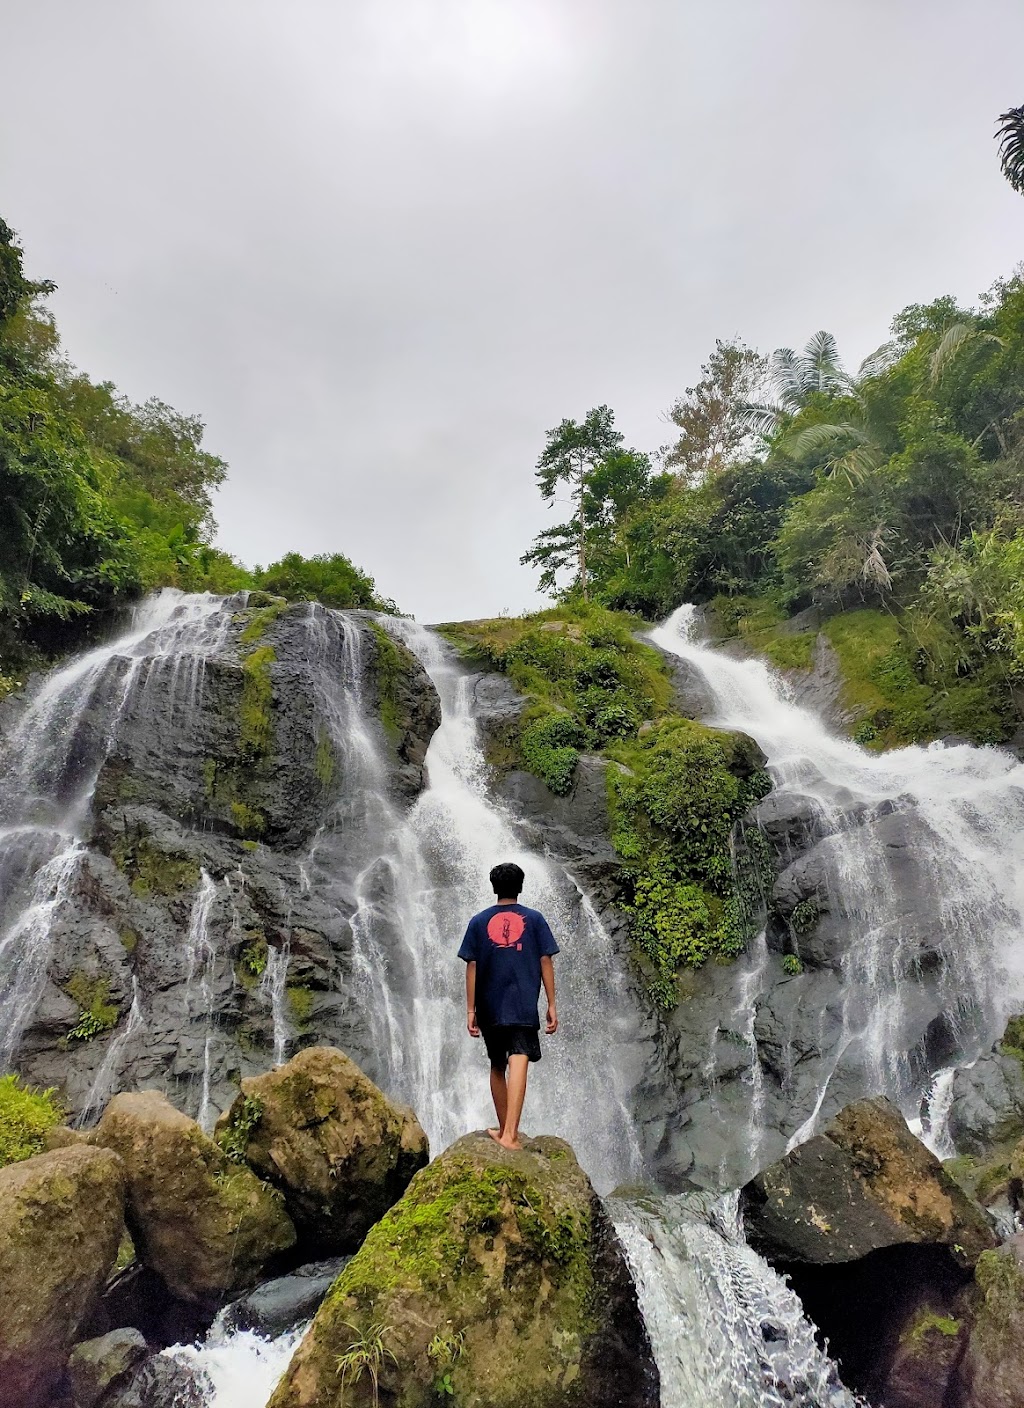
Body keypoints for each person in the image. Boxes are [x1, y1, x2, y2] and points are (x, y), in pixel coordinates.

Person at [457, 861, 559, 1151]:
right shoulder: (534, 919)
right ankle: (510, 1135)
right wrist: (551, 1003)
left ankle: (505, 1130)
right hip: (522, 1002)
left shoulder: (478, 921)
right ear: (520, 887)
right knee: (519, 1055)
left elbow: (471, 966)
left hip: (488, 1004)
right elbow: (545, 960)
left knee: (497, 1063)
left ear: (494, 888)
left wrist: (471, 1010)